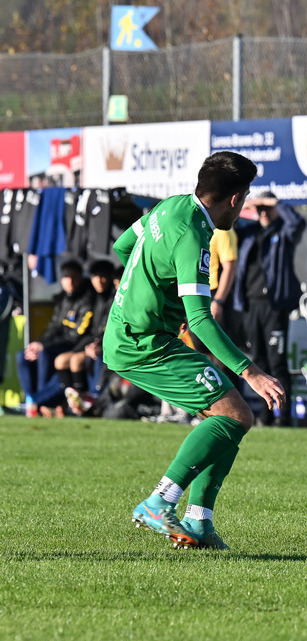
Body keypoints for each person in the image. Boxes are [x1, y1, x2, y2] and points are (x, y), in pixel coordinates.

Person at [105, 151, 285, 550]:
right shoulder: (195, 235)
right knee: (237, 414)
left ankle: (199, 520)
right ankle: (160, 500)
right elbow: (201, 320)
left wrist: (153, 295)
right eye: (246, 197)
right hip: (143, 343)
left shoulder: (169, 207)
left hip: (136, 333)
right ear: (235, 199)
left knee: (224, 418)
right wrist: (251, 371)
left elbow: (123, 246)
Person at [233, 190, 305, 426]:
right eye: (260, 209)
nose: (264, 212)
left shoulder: (284, 232)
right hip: (250, 307)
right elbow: (227, 225)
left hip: (274, 307)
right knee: (259, 362)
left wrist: (275, 203)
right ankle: (265, 416)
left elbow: (297, 222)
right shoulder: (248, 233)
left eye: (268, 208)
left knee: (277, 363)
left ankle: (283, 418)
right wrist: (247, 205)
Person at [16, 258, 93, 417]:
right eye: (66, 277)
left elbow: (75, 336)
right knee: (23, 356)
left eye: (73, 277)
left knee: (44, 355)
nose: (70, 281)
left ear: (80, 277)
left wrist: (44, 347)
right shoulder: (62, 299)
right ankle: (31, 399)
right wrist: (38, 343)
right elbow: (53, 327)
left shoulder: (88, 299)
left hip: (73, 346)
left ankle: (37, 403)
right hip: (56, 345)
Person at [55, 258, 116, 415]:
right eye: (95, 276)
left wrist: (96, 344)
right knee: (60, 360)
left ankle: (87, 403)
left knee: (77, 360)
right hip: (91, 342)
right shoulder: (92, 296)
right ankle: (73, 404)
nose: (99, 281)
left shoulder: (114, 298)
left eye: (103, 276)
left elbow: (109, 327)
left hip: (106, 345)